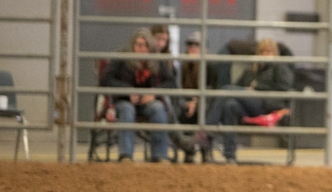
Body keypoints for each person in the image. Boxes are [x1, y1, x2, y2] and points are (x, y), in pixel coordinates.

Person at [204, 38, 293, 163]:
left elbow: (284, 87)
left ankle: (206, 133)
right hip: (247, 108)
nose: (265, 55)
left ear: (275, 54)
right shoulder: (250, 71)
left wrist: (256, 88)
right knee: (230, 104)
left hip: (266, 104)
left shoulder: (280, 68)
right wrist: (245, 90)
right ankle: (230, 156)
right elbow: (237, 89)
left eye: (269, 51)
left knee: (225, 90)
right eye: (262, 51)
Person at [99, 28, 173, 162]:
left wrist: (153, 93)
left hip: (148, 102)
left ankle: (160, 155)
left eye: (145, 45)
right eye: (138, 45)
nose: (142, 49)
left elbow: (171, 82)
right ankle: (126, 155)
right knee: (127, 109)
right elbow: (105, 79)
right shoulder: (122, 57)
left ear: (150, 47)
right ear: (133, 46)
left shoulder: (157, 60)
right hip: (124, 101)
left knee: (158, 108)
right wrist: (127, 91)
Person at [177, 30, 215, 163]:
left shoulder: (210, 64)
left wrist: (197, 101)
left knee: (203, 111)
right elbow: (183, 88)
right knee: (183, 110)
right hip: (190, 100)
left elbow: (212, 88)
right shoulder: (185, 65)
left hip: (208, 100)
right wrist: (190, 101)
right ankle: (189, 150)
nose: (192, 48)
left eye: (196, 45)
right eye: (190, 45)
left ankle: (206, 150)